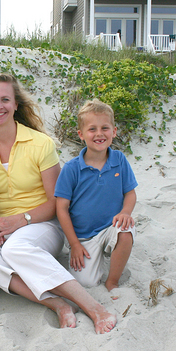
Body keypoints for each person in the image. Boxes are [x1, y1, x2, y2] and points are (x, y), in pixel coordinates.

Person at [0, 73, 117, 334]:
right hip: (4, 230)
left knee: (15, 249)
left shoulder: (40, 143)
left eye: (5, 99)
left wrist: (20, 220)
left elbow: (57, 202)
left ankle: (93, 307)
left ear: (15, 105)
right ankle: (56, 303)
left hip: (44, 224)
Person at [55, 99, 137, 291]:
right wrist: (74, 244)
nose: (99, 134)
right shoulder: (71, 168)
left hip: (110, 227)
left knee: (125, 232)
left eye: (105, 128)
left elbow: (130, 193)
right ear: (81, 134)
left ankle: (112, 281)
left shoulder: (119, 160)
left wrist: (125, 212)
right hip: (83, 236)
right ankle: (93, 256)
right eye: (92, 129)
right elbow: (61, 208)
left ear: (114, 131)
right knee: (86, 282)